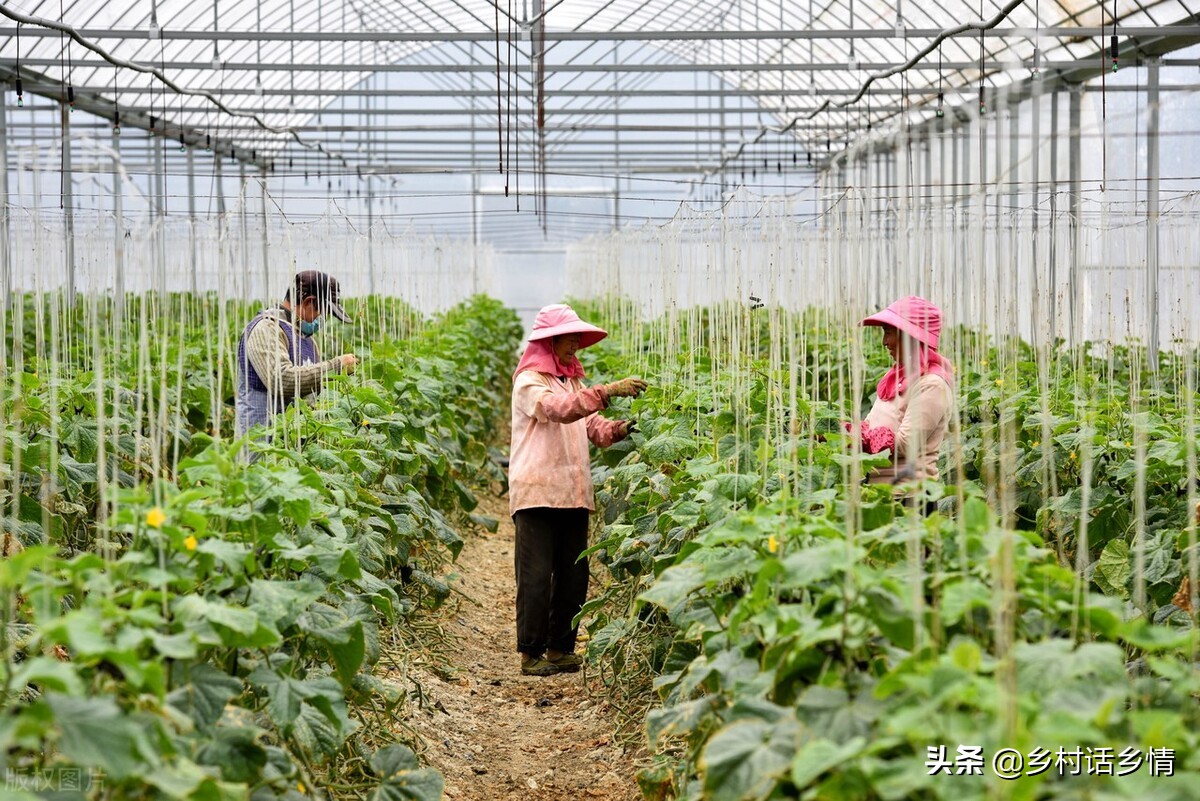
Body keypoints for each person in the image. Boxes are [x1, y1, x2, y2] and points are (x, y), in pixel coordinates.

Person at [509, 304, 647, 677]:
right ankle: (531, 652)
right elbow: (556, 410)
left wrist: (623, 428)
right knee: (536, 574)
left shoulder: (572, 384)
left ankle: (560, 649)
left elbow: (594, 427)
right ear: (551, 341)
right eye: (570, 339)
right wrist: (606, 391)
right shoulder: (530, 382)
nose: (575, 346)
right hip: (537, 490)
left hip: (572, 490)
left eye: (576, 340)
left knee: (573, 574)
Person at [236, 270, 359, 440]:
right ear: (309, 301)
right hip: (261, 446)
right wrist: (336, 367)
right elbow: (281, 379)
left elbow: (310, 387)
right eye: (321, 311)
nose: (320, 317)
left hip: (294, 443)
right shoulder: (267, 328)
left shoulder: (307, 340)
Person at [854, 296, 955, 485]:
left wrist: (855, 439)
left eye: (889, 332)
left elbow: (905, 444)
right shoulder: (895, 378)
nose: (884, 342)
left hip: (910, 500)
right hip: (880, 495)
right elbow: (870, 425)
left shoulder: (932, 385)